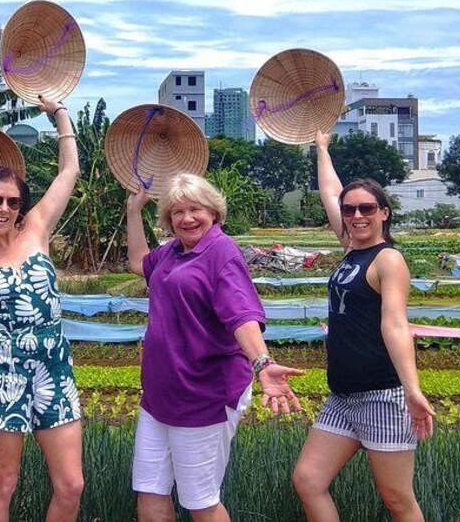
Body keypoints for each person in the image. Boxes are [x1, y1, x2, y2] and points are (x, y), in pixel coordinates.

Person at [126, 173, 302, 522]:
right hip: (160, 396)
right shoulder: (172, 252)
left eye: (196, 209)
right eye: (177, 212)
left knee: (200, 501)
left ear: (214, 212)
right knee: (149, 491)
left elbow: (240, 314)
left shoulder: (221, 251)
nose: (187, 218)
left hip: (203, 396)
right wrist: (133, 212)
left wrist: (262, 363)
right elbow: (137, 263)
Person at [292, 131, 435, 522]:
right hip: (343, 394)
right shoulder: (350, 248)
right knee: (308, 479)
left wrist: (412, 389)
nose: (357, 215)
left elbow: (395, 325)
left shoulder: (388, 260)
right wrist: (321, 148)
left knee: (396, 499)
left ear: (384, 212)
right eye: (350, 209)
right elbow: (330, 189)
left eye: (367, 209)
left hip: (382, 395)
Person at [0, 97, 82, 522]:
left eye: (12, 201)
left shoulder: (37, 229)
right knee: (3, 483)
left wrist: (59, 114)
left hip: (52, 364)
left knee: (71, 484)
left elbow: (70, 172)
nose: (4, 208)